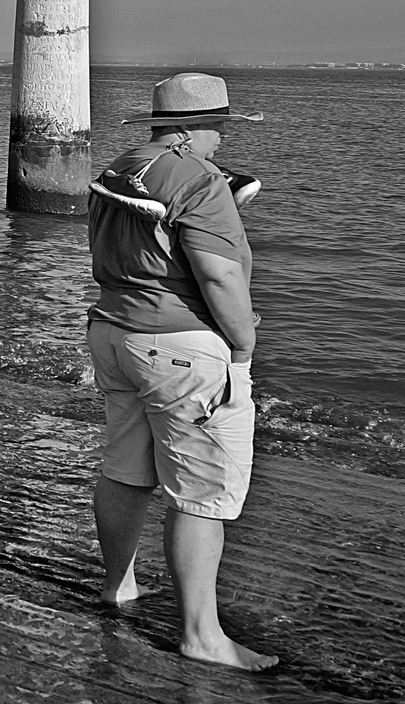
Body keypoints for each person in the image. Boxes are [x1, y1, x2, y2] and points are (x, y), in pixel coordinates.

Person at [85, 72, 278, 672]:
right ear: (203, 128)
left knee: (124, 467)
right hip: (181, 348)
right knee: (200, 492)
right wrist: (243, 349)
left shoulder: (122, 165)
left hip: (113, 334)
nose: (222, 143)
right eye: (220, 130)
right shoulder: (196, 178)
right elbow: (219, 276)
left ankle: (118, 586)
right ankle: (202, 637)